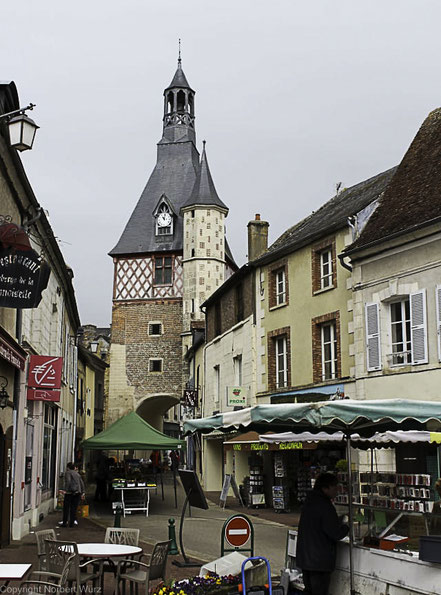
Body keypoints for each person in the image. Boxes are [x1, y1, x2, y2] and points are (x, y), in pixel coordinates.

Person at [296, 472, 349, 595]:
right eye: (335, 487)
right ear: (325, 488)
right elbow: (335, 532)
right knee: (319, 591)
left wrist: (340, 519)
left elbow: (320, 523)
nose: (337, 490)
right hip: (319, 561)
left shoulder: (310, 502)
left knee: (309, 590)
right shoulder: (325, 506)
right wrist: (347, 527)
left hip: (306, 558)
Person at [59, 462, 85, 528]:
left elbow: (68, 481)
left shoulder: (68, 473)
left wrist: (65, 490)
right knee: (74, 508)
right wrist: (82, 492)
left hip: (70, 493)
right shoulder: (77, 474)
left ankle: (65, 522)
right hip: (77, 493)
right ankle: (72, 523)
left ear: (68, 467)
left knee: (66, 508)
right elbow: (81, 483)